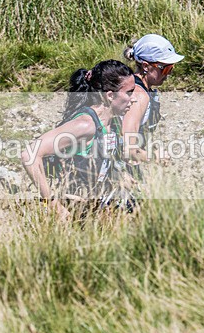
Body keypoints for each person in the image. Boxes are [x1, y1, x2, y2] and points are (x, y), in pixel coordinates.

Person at [21, 60, 135, 218]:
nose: (133, 99)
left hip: (96, 210)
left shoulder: (113, 122)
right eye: (129, 92)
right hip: (72, 211)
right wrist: (52, 203)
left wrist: (121, 178)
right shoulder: (85, 125)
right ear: (110, 95)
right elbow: (30, 154)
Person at [120, 34, 184, 163]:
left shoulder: (143, 90)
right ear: (145, 66)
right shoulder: (138, 95)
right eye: (165, 68)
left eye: (171, 67)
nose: (169, 73)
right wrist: (154, 157)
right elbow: (127, 148)